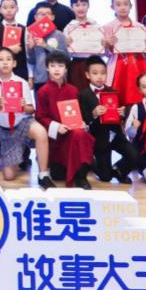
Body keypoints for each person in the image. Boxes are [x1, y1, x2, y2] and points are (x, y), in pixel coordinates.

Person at [0, 47, 52, 188]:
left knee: (41, 132)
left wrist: (23, 106)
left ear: (14, 63)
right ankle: (22, 154)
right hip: (6, 130)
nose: (5, 62)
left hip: (23, 122)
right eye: (1, 59)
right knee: (9, 176)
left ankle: (43, 174)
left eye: (8, 59)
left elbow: (31, 110)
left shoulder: (22, 83)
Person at [35, 51, 96, 189]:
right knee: (58, 175)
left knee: (80, 134)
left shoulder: (73, 90)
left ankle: (81, 177)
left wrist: (81, 123)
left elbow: (78, 113)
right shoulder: (43, 91)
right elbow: (40, 116)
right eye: (52, 66)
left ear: (66, 69)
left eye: (60, 66)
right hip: (55, 139)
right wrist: (56, 127)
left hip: (72, 134)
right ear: (47, 68)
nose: (56, 69)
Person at [76, 55, 139, 184]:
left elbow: (119, 114)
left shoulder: (113, 91)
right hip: (99, 138)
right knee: (105, 177)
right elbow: (83, 118)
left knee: (135, 156)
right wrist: (93, 114)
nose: (99, 76)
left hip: (115, 134)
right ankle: (93, 162)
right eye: (95, 73)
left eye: (103, 73)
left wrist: (121, 114)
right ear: (87, 75)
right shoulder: (83, 94)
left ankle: (119, 170)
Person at [101, 0, 146, 106]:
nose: (122, 7)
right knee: (118, 95)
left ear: (131, 6)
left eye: (126, 4)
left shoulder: (140, 27)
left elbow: (145, 52)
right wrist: (107, 45)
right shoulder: (107, 27)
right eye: (118, 4)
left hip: (137, 63)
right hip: (118, 64)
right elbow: (105, 53)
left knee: (139, 93)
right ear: (112, 7)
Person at [62, 0, 101, 88]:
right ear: (72, 7)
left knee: (95, 91)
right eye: (77, 5)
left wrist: (104, 45)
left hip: (94, 63)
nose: (81, 8)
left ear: (88, 6)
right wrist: (66, 45)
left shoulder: (96, 25)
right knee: (78, 91)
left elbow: (102, 50)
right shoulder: (69, 28)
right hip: (76, 65)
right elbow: (65, 53)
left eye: (84, 4)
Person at [27, 3, 69, 87]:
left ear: (53, 17)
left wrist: (45, 46)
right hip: (40, 78)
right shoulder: (32, 35)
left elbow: (65, 56)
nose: (44, 16)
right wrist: (30, 49)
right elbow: (32, 61)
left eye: (47, 14)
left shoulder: (59, 35)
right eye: (41, 14)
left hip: (58, 80)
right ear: (36, 17)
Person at [0, 0, 29, 81]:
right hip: (0, 72)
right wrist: (9, 49)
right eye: (5, 8)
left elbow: (27, 54)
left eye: (12, 7)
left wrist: (30, 75)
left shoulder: (24, 29)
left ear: (17, 9)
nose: (9, 10)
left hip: (20, 71)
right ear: (0, 10)